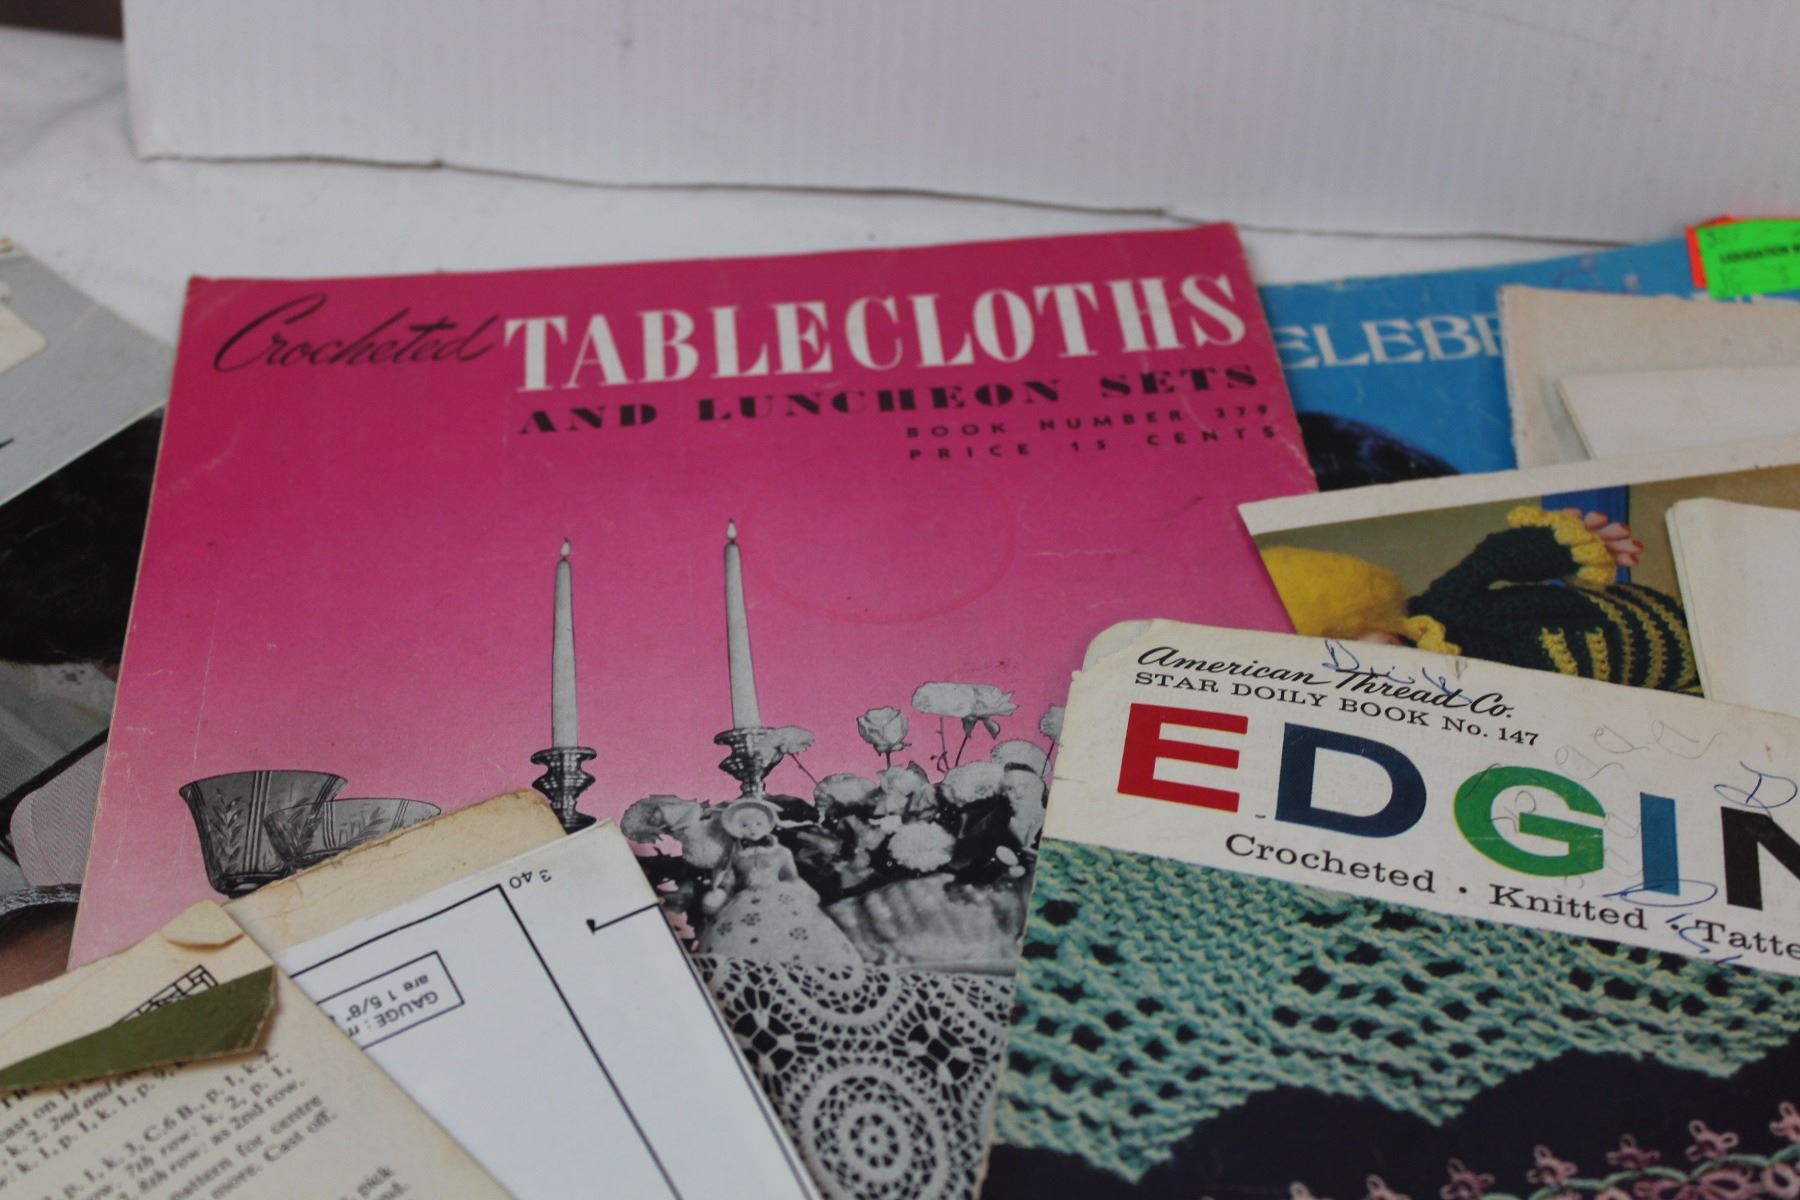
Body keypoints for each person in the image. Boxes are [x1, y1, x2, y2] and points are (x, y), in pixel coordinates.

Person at [1262, 505, 1699, 692]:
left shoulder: (1445, 607)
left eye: (1354, 636)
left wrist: (1568, 545)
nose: (1370, 653)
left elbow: (1496, 557)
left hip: (1635, 621)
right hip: (1650, 690)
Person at [696, 798, 860, 964]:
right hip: (743, 902)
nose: (752, 829)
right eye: (745, 825)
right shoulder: (737, 856)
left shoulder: (781, 852)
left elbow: (791, 876)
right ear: (737, 829)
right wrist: (718, 890)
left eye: (758, 824)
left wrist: (797, 891)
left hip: (778, 897)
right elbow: (729, 881)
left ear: (767, 825)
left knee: (784, 931)